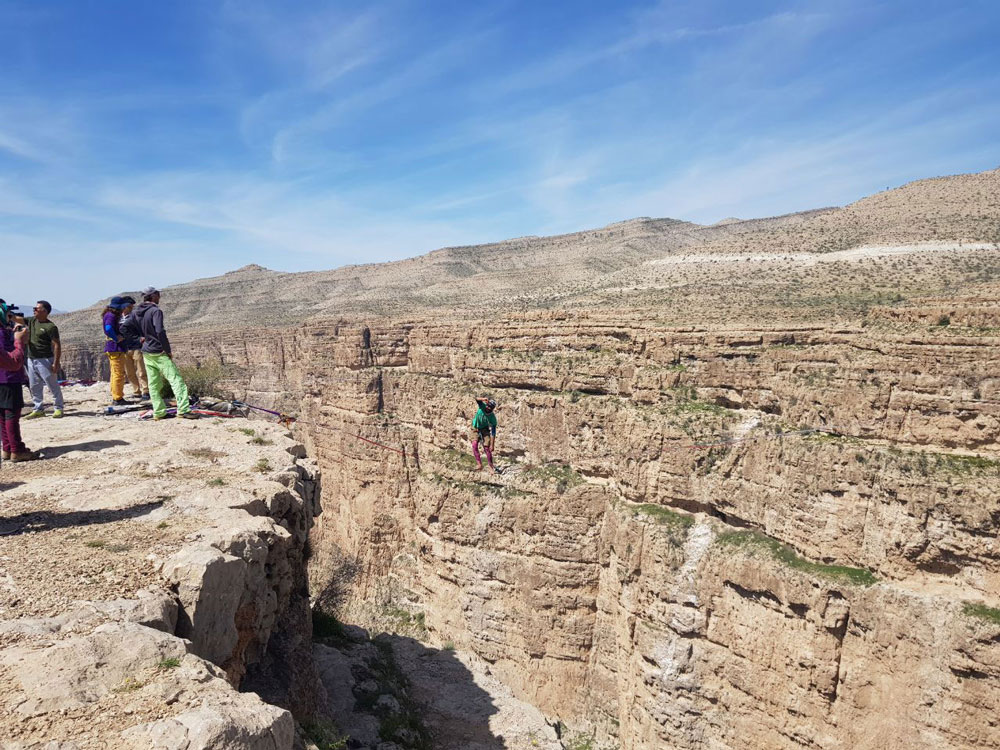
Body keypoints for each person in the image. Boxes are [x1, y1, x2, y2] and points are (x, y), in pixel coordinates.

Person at [121, 286, 196, 420]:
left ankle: (159, 412)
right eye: (158, 294)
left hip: (146, 352)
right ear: (153, 296)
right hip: (159, 351)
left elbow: (124, 328)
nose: (159, 296)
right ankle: (184, 410)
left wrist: (139, 339)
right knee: (176, 380)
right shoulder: (156, 311)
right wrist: (167, 350)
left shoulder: (137, 311)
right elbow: (160, 331)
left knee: (154, 384)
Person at [0, 302, 39, 461]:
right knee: (11, 415)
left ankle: (7, 448)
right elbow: (13, 361)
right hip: (9, 378)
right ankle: (17, 449)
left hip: (3, 379)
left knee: (3, 415)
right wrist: (19, 341)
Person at [23, 300, 64, 419]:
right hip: (31, 359)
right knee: (34, 385)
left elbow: (57, 345)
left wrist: (55, 363)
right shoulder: (31, 321)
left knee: (52, 385)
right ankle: (38, 408)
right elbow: (15, 319)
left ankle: (58, 408)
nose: (34, 310)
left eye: (37, 308)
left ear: (44, 311)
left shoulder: (50, 327)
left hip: (45, 359)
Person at [119, 296, 149, 400]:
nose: (131, 307)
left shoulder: (135, 316)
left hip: (136, 347)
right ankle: (136, 391)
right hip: (125, 348)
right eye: (129, 306)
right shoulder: (119, 318)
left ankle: (146, 391)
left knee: (141, 370)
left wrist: (141, 338)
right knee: (129, 372)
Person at [102, 297, 129, 406]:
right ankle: (118, 398)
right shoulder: (111, 316)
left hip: (112, 348)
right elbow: (108, 328)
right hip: (115, 348)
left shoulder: (108, 314)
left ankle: (115, 395)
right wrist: (116, 338)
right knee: (119, 374)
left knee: (114, 373)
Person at [470, 396, 498, 472]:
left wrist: (492, 444)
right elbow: (476, 399)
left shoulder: (492, 417)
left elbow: (493, 432)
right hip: (475, 428)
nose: (488, 408)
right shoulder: (482, 406)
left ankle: (491, 466)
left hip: (484, 429)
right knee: (474, 444)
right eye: (488, 406)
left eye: (491, 408)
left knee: (487, 448)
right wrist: (483, 399)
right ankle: (479, 464)